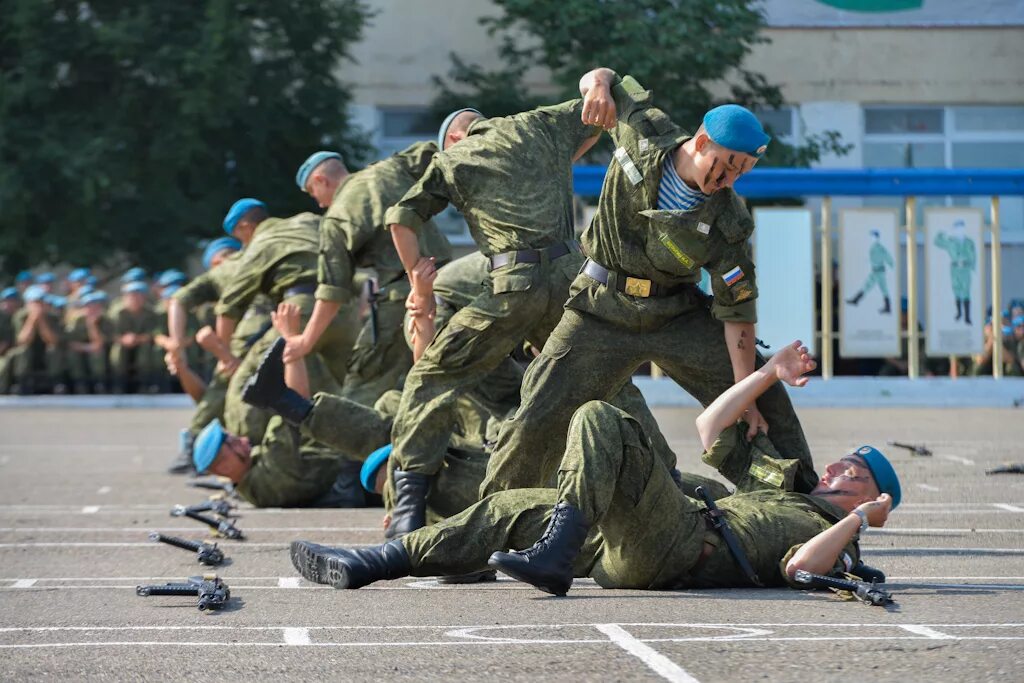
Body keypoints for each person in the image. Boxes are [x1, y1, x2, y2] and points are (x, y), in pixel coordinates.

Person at [288, 340, 900, 596]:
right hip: (647, 539)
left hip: (690, 546)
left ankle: (556, 553)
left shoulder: (833, 538)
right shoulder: (782, 477)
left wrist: (861, 524)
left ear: (868, 499)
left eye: (856, 474)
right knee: (509, 508)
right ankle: (370, 565)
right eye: (844, 462)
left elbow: (799, 569)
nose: (839, 469)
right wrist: (767, 374)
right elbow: (709, 428)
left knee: (601, 417)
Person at [480, 68, 815, 500]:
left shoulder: (729, 220)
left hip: (675, 315)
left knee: (763, 400)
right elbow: (601, 76)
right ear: (700, 143)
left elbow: (738, 313)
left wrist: (742, 395)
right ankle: (486, 528)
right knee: (537, 413)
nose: (729, 180)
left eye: (742, 173)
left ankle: (805, 506)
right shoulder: (644, 131)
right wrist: (597, 87)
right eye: (727, 165)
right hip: (600, 309)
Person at [382, 78, 676, 537]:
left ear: (454, 138)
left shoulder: (452, 158)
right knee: (610, 382)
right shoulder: (538, 125)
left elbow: (400, 218)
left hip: (512, 285)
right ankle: (669, 481)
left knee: (431, 378)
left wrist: (418, 284)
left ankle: (407, 510)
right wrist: (589, 97)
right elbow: (594, 120)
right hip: (570, 280)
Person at [282, 144, 452, 406]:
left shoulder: (336, 218)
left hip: (404, 300)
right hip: (452, 281)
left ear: (320, 180)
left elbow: (333, 291)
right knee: (455, 372)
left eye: (312, 192)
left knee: (362, 388)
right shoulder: (391, 168)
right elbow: (435, 149)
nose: (317, 201)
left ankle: (359, 446)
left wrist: (305, 341)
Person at [190, 303, 377, 508]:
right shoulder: (271, 471)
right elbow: (294, 404)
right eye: (233, 442)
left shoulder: (253, 483)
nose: (243, 439)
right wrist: (291, 338)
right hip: (368, 474)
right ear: (225, 466)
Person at [214, 199, 358, 439]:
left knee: (246, 382)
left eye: (240, 237)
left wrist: (226, 357)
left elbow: (228, 308)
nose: (242, 244)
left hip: (299, 311)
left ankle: (247, 456)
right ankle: (364, 458)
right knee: (353, 387)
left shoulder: (261, 242)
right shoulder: (309, 220)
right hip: (343, 308)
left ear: (246, 226)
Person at [162, 236, 272, 473]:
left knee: (228, 389)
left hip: (258, 340)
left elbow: (178, 301)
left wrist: (183, 344)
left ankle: (205, 450)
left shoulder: (233, 277)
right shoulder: (262, 259)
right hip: (274, 336)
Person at [8, 285, 64, 394]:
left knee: (53, 349)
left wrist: (42, 321)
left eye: (41, 301)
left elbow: (53, 341)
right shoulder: (20, 316)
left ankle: (56, 382)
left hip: (45, 351)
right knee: (23, 350)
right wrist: (32, 320)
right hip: (28, 350)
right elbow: (22, 340)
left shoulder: (52, 317)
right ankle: (22, 382)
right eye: (35, 302)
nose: (39, 305)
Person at [109, 280, 162, 393]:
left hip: (142, 343)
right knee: (117, 351)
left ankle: (144, 385)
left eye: (139, 296)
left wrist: (136, 339)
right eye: (132, 296)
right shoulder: (117, 313)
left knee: (145, 351)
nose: (135, 299)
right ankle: (119, 385)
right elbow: (112, 333)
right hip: (122, 342)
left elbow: (153, 333)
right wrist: (124, 339)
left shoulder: (150, 313)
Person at [64, 291, 113, 394]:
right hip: (83, 348)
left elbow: (100, 343)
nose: (92, 309)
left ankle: (99, 383)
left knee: (98, 353)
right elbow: (70, 342)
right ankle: (80, 384)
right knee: (72, 354)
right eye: (89, 306)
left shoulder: (105, 319)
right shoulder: (77, 320)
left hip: (101, 350)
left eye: (95, 306)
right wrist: (88, 347)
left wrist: (92, 325)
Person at [934, 220, 977, 325]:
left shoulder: (969, 242)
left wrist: (973, 267)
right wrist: (942, 233)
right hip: (955, 268)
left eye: (961, 228)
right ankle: (959, 313)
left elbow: (973, 255)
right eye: (957, 228)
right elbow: (937, 242)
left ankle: (967, 317)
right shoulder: (950, 241)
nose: (960, 230)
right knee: (956, 290)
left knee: (966, 291)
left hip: (965, 268)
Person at [845, 229, 894, 314]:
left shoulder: (879, 247)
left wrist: (892, 264)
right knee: (883, 289)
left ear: (876, 237)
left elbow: (887, 256)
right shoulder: (873, 247)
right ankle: (888, 307)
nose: (871, 238)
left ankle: (855, 300)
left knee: (867, 286)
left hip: (878, 271)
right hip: (878, 271)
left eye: (872, 236)